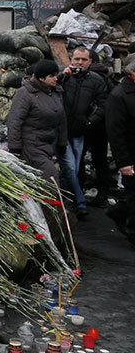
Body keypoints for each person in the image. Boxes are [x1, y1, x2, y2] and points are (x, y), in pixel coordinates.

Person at [58, 46, 107, 217]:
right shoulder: (63, 76)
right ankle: (77, 201)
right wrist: (63, 76)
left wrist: (90, 121)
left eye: (84, 60)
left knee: (75, 166)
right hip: (62, 130)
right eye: (77, 59)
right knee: (70, 166)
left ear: (90, 61)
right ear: (71, 60)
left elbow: (103, 104)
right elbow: (49, 89)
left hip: (82, 131)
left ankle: (75, 200)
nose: (80, 62)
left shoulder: (96, 80)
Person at [7, 60, 66, 182]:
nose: (56, 78)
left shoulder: (55, 92)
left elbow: (61, 119)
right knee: (51, 175)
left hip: (49, 144)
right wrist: (14, 146)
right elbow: (15, 121)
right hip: (31, 145)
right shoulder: (25, 93)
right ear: (41, 78)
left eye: (56, 75)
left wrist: (62, 142)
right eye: (52, 76)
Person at [105, 54, 135, 245]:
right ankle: (132, 232)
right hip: (131, 154)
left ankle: (118, 211)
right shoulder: (119, 95)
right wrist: (123, 162)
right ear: (132, 72)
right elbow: (115, 132)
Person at [83, 52, 114, 206]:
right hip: (102, 126)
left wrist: (89, 121)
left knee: (80, 158)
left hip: (89, 124)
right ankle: (103, 194)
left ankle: (81, 192)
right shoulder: (107, 78)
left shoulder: (91, 78)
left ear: (90, 61)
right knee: (100, 159)